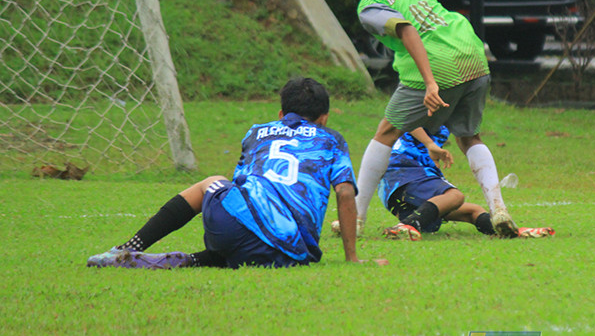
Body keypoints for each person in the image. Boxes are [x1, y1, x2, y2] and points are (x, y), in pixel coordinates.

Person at [329, 0, 518, 238]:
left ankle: (356, 219)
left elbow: (406, 29)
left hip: (436, 65)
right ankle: (498, 209)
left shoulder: (368, 6)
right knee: (469, 135)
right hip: (471, 52)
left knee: (386, 132)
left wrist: (430, 82)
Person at [87, 77, 382, 269]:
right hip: (291, 252)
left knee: (213, 183)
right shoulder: (331, 139)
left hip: (231, 224)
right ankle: (178, 261)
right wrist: (351, 259)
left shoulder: (257, 132)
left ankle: (128, 249)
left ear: (280, 114)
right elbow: (344, 192)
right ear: (324, 118)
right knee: (250, 243)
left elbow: (242, 183)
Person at [374, 125, 554, 241]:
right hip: (403, 167)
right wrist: (429, 144)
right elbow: (409, 118)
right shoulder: (433, 95)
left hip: (405, 180)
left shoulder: (454, 110)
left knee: (473, 210)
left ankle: (513, 232)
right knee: (455, 196)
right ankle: (407, 226)